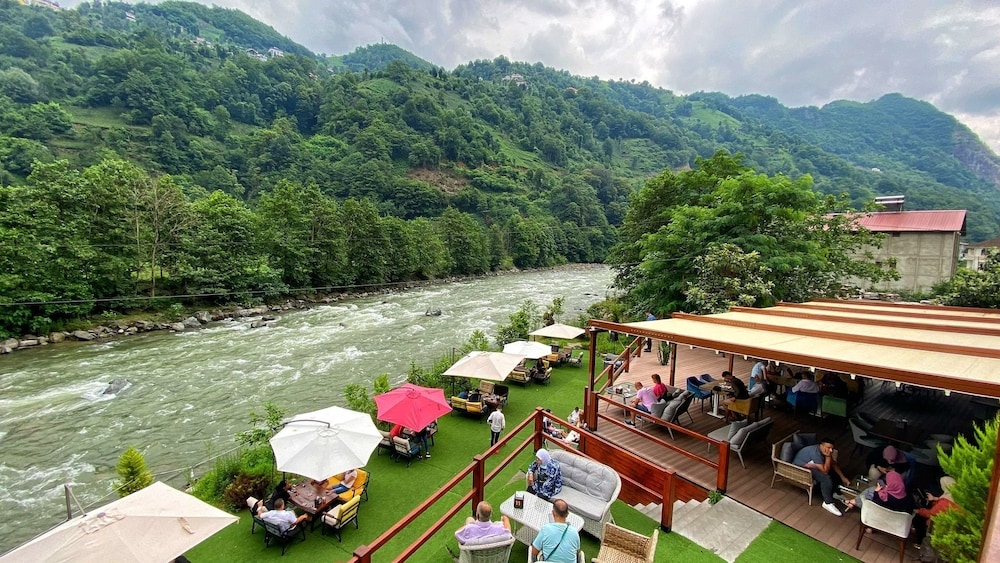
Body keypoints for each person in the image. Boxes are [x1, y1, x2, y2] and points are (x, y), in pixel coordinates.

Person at [792, 437, 851, 516]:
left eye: (832, 448)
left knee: (833, 471)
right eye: (828, 448)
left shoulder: (823, 451)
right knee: (825, 478)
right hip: (801, 468)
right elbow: (825, 471)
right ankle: (827, 503)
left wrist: (843, 477)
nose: (831, 450)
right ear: (821, 446)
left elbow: (834, 464)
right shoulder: (815, 453)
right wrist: (828, 457)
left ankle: (835, 492)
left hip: (813, 466)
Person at [844, 463, 914, 514]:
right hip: (898, 517)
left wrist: (876, 492)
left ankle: (854, 502)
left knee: (870, 492)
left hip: (882, 515)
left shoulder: (885, 497)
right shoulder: (908, 496)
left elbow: (876, 504)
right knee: (871, 490)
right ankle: (854, 501)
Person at [531, 498, 581, 563]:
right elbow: (576, 552)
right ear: (567, 514)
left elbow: (534, 552)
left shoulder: (545, 529)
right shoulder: (574, 532)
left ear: (553, 513)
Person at [913, 476, 959, 543]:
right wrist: (935, 498)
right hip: (952, 522)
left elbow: (930, 513)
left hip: (941, 524)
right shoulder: (956, 496)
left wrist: (919, 511)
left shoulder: (944, 502)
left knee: (918, 520)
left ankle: (921, 542)